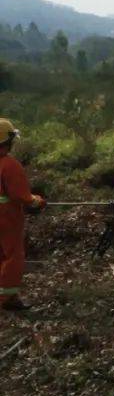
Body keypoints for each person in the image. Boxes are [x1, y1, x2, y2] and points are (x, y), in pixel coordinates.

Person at [0, 119, 46, 310]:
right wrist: (37, 201)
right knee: (13, 256)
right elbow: (21, 196)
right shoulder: (9, 165)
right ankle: (7, 299)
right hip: (6, 217)